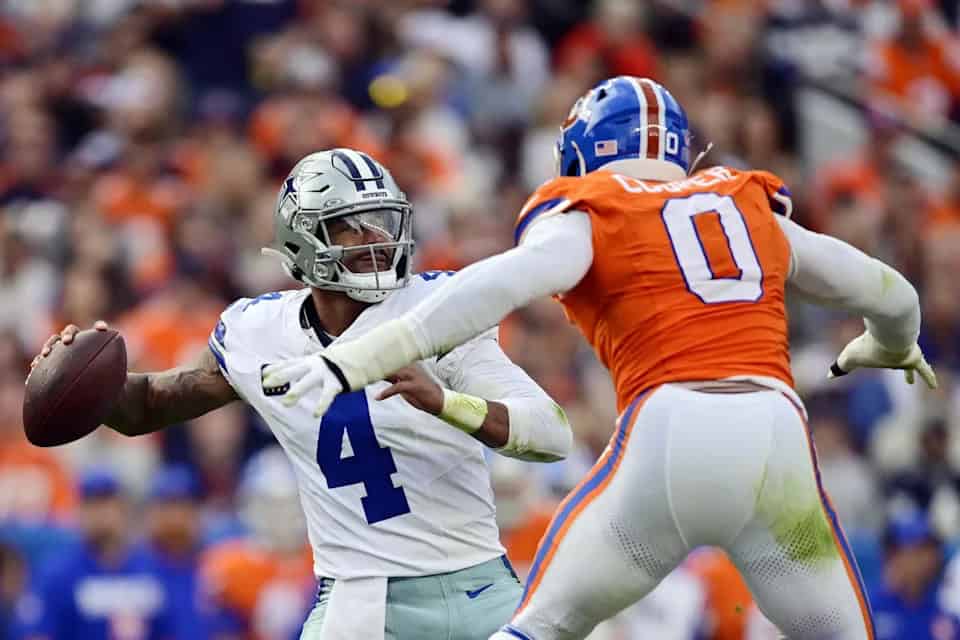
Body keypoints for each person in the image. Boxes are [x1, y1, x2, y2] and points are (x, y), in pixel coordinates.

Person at [267, 76, 938, 639]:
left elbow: (493, 286)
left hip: (671, 428)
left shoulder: (593, 207)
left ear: (586, 151)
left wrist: (354, 358)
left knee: (541, 626)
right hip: (776, 435)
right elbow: (891, 293)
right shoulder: (745, 203)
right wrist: (886, 345)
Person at [31, 148, 571, 640]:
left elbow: (551, 433)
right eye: (349, 228)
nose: (374, 239)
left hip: (478, 584)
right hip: (358, 599)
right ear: (302, 240)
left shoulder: (437, 311)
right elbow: (146, 407)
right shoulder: (257, 332)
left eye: (380, 223)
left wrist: (447, 404)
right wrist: (78, 374)